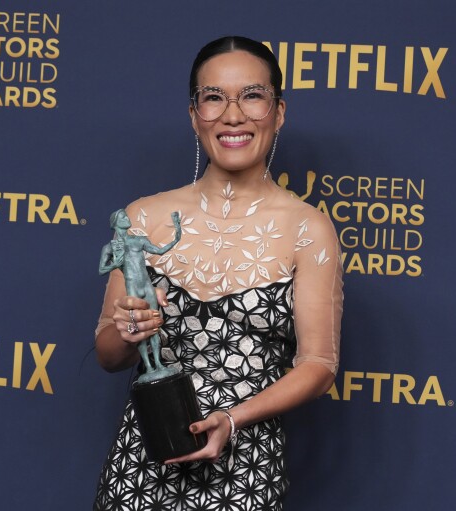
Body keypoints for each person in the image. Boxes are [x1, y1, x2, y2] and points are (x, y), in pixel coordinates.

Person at [93, 35, 343, 510]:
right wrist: (128, 330)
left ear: (279, 111)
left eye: (252, 95)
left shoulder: (308, 228)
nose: (233, 115)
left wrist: (232, 418)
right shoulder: (143, 217)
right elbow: (108, 352)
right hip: (141, 467)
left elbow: (318, 366)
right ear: (194, 115)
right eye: (213, 98)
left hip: (245, 467)